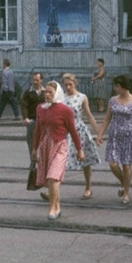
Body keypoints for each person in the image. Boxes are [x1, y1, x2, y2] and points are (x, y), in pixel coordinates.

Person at [31, 81, 83, 220]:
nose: (47, 95)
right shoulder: (40, 108)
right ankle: (57, 206)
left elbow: (73, 131)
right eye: (45, 92)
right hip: (45, 146)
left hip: (60, 146)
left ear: (57, 93)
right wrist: (34, 149)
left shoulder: (65, 110)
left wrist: (79, 150)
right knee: (50, 182)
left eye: (50, 92)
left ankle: (52, 208)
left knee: (53, 178)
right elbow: (37, 130)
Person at [97, 74, 132, 206]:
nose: (115, 88)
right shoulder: (112, 100)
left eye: (117, 86)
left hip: (129, 135)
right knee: (113, 164)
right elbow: (107, 118)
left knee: (126, 164)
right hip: (115, 134)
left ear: (125, 87)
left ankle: (126, 192)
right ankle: (125, 183)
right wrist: (100, 134)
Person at [61, 72, 101, 200]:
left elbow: (89, 115)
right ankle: (52, 189)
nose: (68, 87)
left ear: (75, 84)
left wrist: (98, 132)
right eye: (65, 85)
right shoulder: (61, 98)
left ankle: (88, 187)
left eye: (70, 85)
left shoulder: (82, 97)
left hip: (79, 130)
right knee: (60, 161)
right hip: (65, 132)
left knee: (85, 161)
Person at [20, 72, 48, 201]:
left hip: (44, 122)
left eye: (37, 80)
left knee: (44, 143)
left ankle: (42, 163)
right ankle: (33, 164)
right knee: (32, 143)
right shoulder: (28, 93)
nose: (35, 82)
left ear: (42, 80)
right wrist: (25, 118)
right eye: (33, 80)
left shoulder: (45, 92)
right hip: (32, 121)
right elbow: (24, 105)